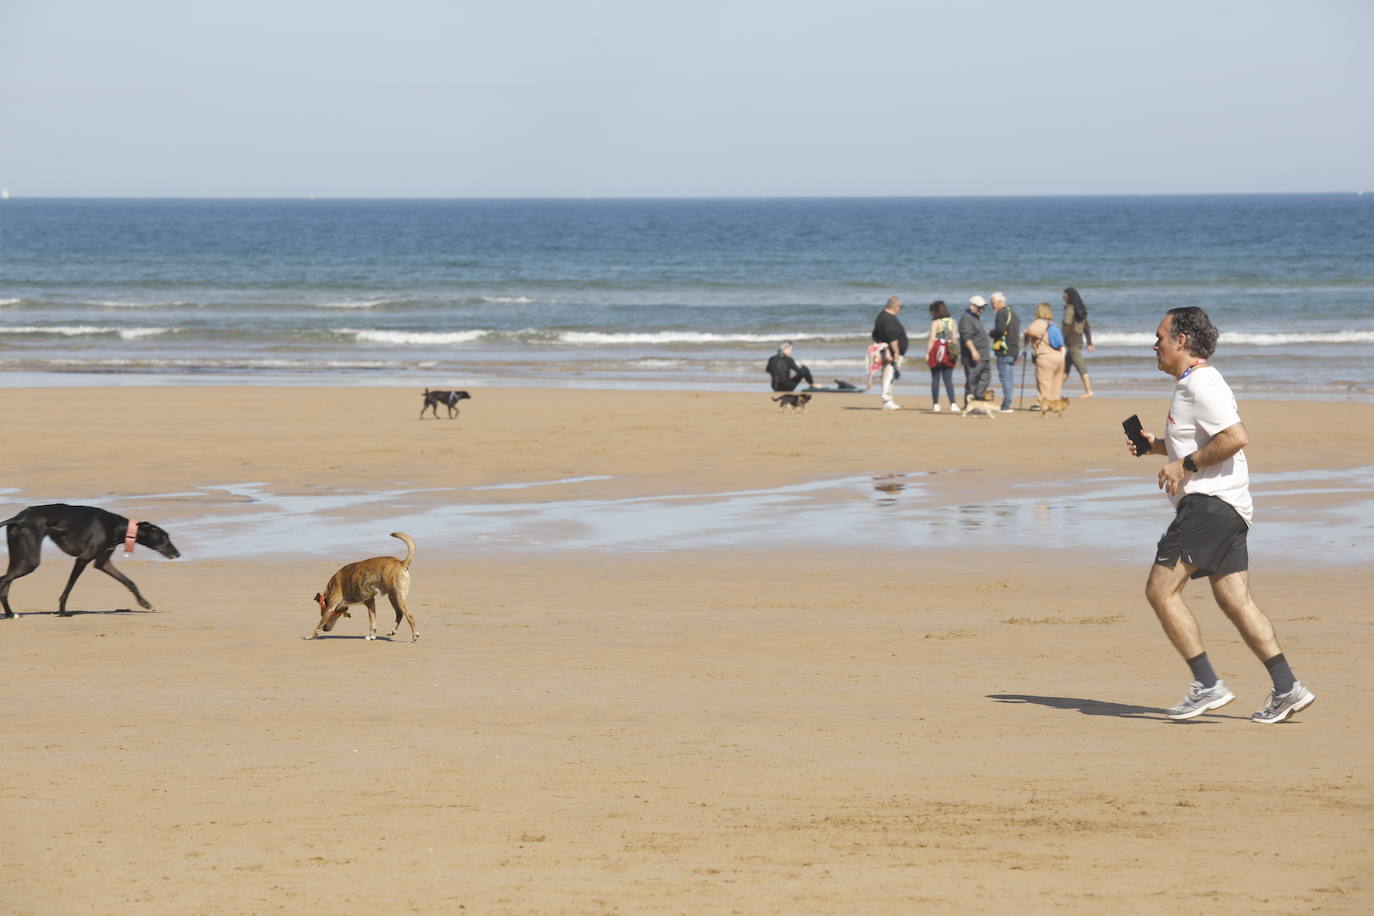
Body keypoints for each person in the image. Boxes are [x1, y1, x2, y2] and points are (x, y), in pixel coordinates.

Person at [1128, 306, 1315, 723]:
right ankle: (1287, 688)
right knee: (1235, 599)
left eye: (1159, 336)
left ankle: (1208, 684)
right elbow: (1204, 442)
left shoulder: (1201, 384)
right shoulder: (1193, 384)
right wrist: (1157, 446)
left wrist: (1184, 466)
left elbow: (1235, 438)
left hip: (1208, 505)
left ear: (1181, 341)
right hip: (1227, 506)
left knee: (1161, 591)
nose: (1154, 344)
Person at [1022, 302, 1065, 408]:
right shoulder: (1052, 323)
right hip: (1059, 357)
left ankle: (1042, 404)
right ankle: (1055, 403)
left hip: (1045, 356)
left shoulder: (1038, 323)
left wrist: (1026, 332)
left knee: (1044, 382)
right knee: (1056, 382)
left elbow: (1030, 335)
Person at [871, 296, 908, 410]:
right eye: (900, 307)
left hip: (885, 351)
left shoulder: (881, 316)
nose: (900, 309)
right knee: (889, 375)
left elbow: (874, 334)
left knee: (889, 376)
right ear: (895, 306)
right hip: (890, 353)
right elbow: (892, 337)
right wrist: (896, 352)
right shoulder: (888, 319)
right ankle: (886, 399)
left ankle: (889, 399)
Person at [988, 292, 1021, 412]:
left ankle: (1007, 404)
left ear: (999, 302)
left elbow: (1001, 330)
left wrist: (991, 333)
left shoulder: (1001, 313)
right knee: (1010, 378)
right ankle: (1008, 402)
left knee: (1005, 378)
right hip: (1014, 349)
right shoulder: (1013, 314)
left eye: (993, 303)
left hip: (1004, 350)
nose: (992, 306)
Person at [924, 300, 959, 412]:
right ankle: (953, 403)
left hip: (937, 349)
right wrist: (956, 352)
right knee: (948, 378)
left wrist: (927, 353)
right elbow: (954, 339)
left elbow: (932, 339)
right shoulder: (952, 321)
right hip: (949, 349)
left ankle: (936, 404)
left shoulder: (935, 323)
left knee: (935, 377)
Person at [958, 295, 991, 408]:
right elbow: (966, 337)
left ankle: (978, 400)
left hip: (984, 355)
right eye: (979, 307)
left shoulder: (976, 317)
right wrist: (973, 351)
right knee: (972, 381)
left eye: (983, 308)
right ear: (972, 306)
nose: (982, 310)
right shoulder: (966, 318)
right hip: (974, 356)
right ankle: (970, 405)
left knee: (986, 377)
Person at [1061, 286, 1095, 397]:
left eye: (1064, 295)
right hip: (1078, 341)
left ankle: (1089, 391)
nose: (1063, 297)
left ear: (1069, 296)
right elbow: (1087, 327)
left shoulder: (1070, 309)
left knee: (1080, 367)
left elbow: (1066, 326)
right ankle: (1055, 391)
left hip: (1072, 343)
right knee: (1065, 369)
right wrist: (1089, 342)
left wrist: (1059, 342)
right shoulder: (1082, 309)